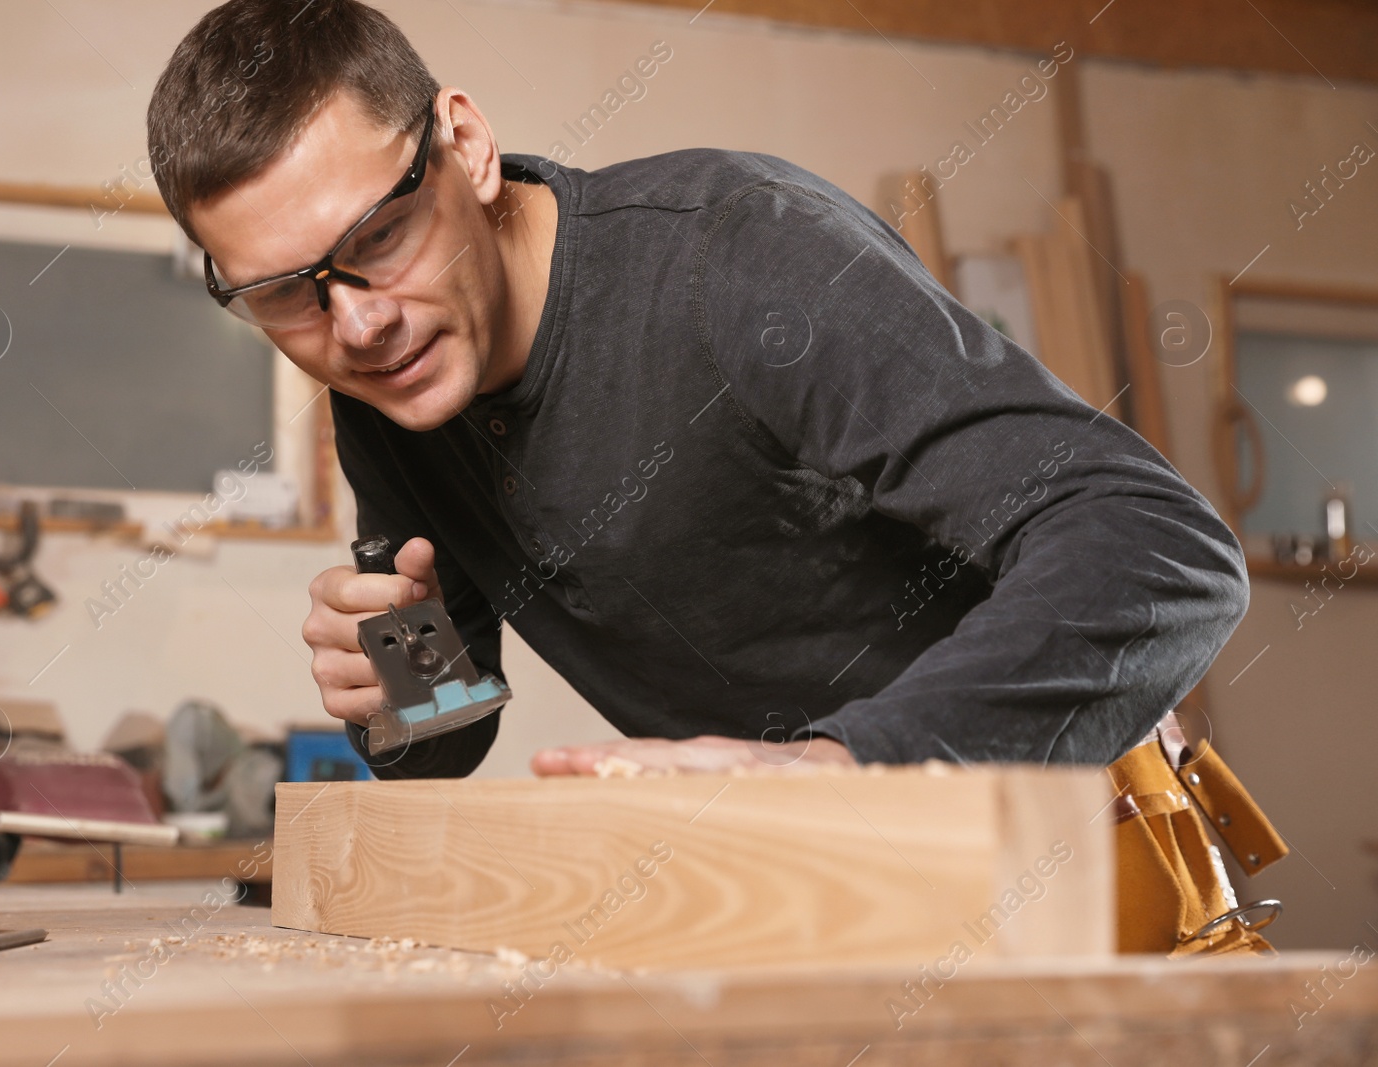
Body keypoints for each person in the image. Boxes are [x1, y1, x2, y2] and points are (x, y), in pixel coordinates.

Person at [146, 0, 1249, 780]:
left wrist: (851, 767)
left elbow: (1160, 549)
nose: (358, 322)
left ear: (466, 146)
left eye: (379, 236)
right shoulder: (384, 388)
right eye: (286, 292)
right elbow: (445, 735)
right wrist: (397, 685)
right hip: (784, 885)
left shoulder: (740, 255)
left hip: (1057, 845)